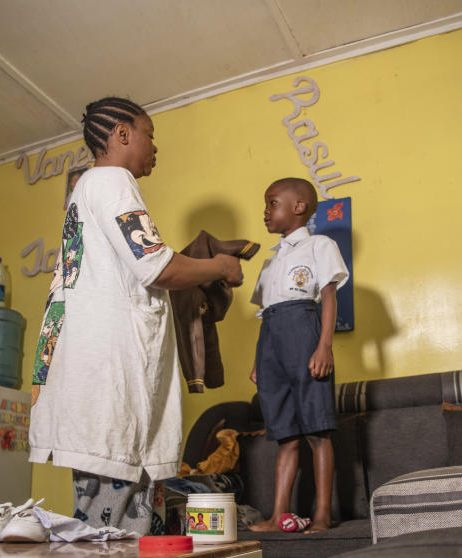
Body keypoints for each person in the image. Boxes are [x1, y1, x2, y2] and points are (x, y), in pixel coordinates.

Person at [28, 97, 244, 535]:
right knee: (115, 543)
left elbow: (60, 298)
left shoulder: (83, 196)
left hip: (93, 386)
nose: (154, 147)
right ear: (123, 134)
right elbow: (156, 266)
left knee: (110, 529)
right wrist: (219, 267)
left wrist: (40, 378)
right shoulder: (112, 180)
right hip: (113, 384)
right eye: (150, 134)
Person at [248, 178, 349, 533]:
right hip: (272, 340)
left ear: (299, 206)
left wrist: (324, 346)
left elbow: (329, 297)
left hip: (303, 332)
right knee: (285, 436)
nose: (266, 211)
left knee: (317, 431)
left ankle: (322, 514)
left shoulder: (319, 245)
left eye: (272, 203)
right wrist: (259, 361)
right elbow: (265, 314)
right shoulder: (271, 261)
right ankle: (278, 515)